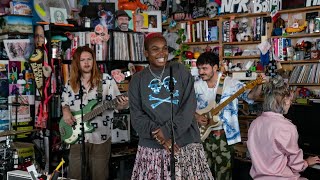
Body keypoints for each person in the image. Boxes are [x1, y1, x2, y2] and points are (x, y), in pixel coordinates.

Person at [129, 33, 213, 179]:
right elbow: (137, 117)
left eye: (165, 48)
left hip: (185, 142)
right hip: (152, 147)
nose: (161, 53)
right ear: (146, 53)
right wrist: (161, 138)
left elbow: (189, 108)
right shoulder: (137, 80)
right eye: (155, 49)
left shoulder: (180, 71)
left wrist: (167, 132)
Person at [61, 46, 129, 180]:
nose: (86, 63)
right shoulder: (71, 82)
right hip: (77, 138)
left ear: (94, 61)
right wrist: (66, 111)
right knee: (75, 175)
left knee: (99, 176)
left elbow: (119, 105)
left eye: (89, 59)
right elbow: (64, 102)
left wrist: (123, 103)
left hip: (100, 137)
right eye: (82, 60)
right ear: (77, 63)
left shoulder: (106, 80)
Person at [194, 52, 263, 180]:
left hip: (224, 136)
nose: (201, 72)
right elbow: (184, 107)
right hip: (201, 136)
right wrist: (197, 117)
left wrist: (259, 85)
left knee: (224, 173)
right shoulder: (196, 85)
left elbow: (251, 97)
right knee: (203, 172)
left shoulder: (231, 84)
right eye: (199, 69)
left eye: (204, 68)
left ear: (215, 68)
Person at [247, 75, 320, 179]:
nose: (290, 103)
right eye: (290, 100)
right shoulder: (287, 127)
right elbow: (296, 166)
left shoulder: (254, 123)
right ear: (285, 100)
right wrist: (307, 162)